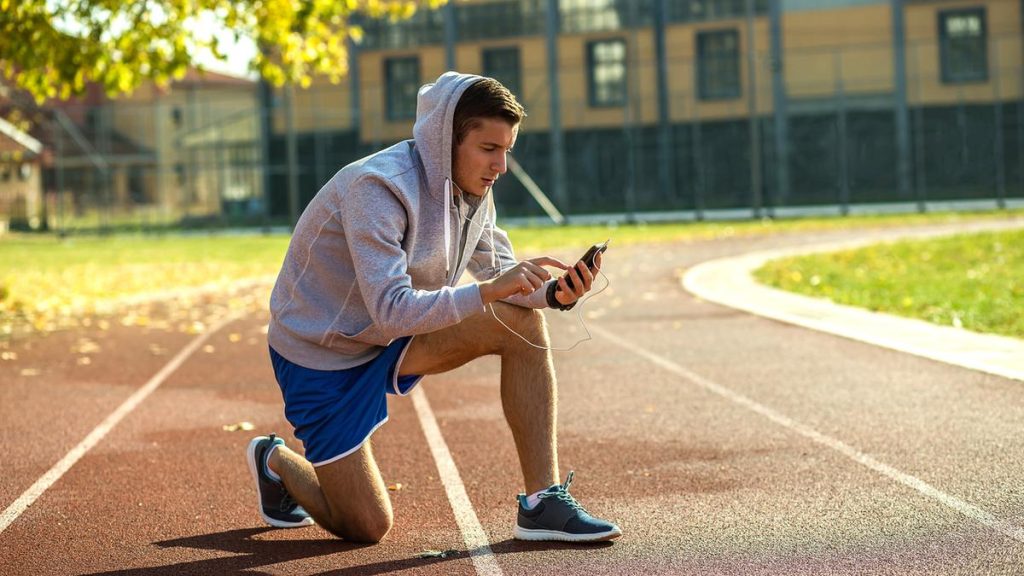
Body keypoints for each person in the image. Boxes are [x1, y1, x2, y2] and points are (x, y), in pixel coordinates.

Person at [246, 71, 621, 544]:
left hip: (388, 336)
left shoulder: (474, 189)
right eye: (489, 149)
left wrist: (553, 294)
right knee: (365, 526)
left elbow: (499, 274)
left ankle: (542, 501)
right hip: (320, 354)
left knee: (521, 323)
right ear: (446, 140)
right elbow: (393, 309)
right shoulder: (375, 188)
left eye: (507, 149)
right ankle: (275, 460)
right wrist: (488, 292)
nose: (501, 165)